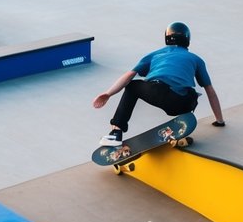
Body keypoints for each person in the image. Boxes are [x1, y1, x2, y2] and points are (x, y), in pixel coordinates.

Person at [92, 22, 225, 147]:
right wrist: (219, 121)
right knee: (192, 93)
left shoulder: (155, 54)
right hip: (182, 103)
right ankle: (182, 127)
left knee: (133, 86)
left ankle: (116, 133)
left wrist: (108, 93)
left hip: (157, 93)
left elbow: (128, 76)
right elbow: (210, 91)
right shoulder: (196, 59)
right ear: (187, 39)